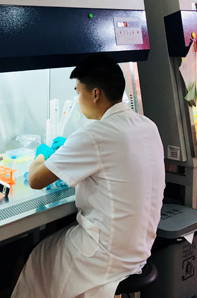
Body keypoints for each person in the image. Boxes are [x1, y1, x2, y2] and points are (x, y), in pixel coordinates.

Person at [11, 53, 165, 298]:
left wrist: (41, 154)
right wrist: (67, 150)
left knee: (36, 256)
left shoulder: (94, 135)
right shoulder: (147, 125)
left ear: (95, 94)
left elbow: (36, 180)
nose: (77, 99)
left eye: (77, 91)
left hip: (104, 254)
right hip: (139, 246)